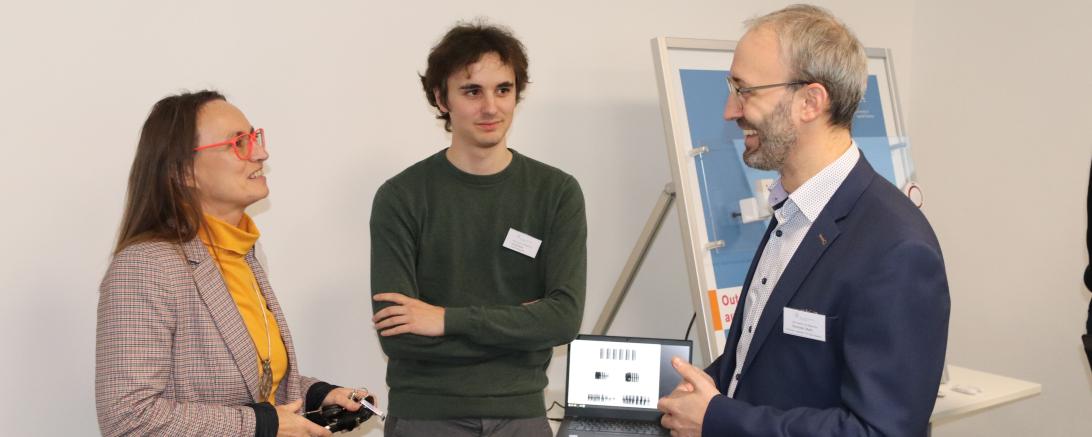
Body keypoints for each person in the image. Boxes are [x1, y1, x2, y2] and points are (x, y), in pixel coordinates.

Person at [657, 5, 950, 436]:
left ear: (810, 102)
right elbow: (756, 364)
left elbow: (880, 431)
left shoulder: (898, 249)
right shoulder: (793, 212)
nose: (729, 110)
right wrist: (676, 396)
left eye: (744, 91)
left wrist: (718, 419)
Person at [96, 90, 369, 437]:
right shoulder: (146, 267)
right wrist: (261, 424)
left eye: (254, 137)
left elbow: (253, 381)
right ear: (184, 171)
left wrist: (319, 395)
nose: (261, 153)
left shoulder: (243, 254)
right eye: (239, 143)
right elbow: (129, 418)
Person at [369, 22, 587, 437]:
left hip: (523, 415)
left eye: (503, 89)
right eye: (472, 91)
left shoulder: (556, 192)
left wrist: (445, 319)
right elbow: (399, 337)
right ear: (441, 98)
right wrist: (520, 328)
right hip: (426, 416)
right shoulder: (401, 197)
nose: (491, 107)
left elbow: (562, 320)